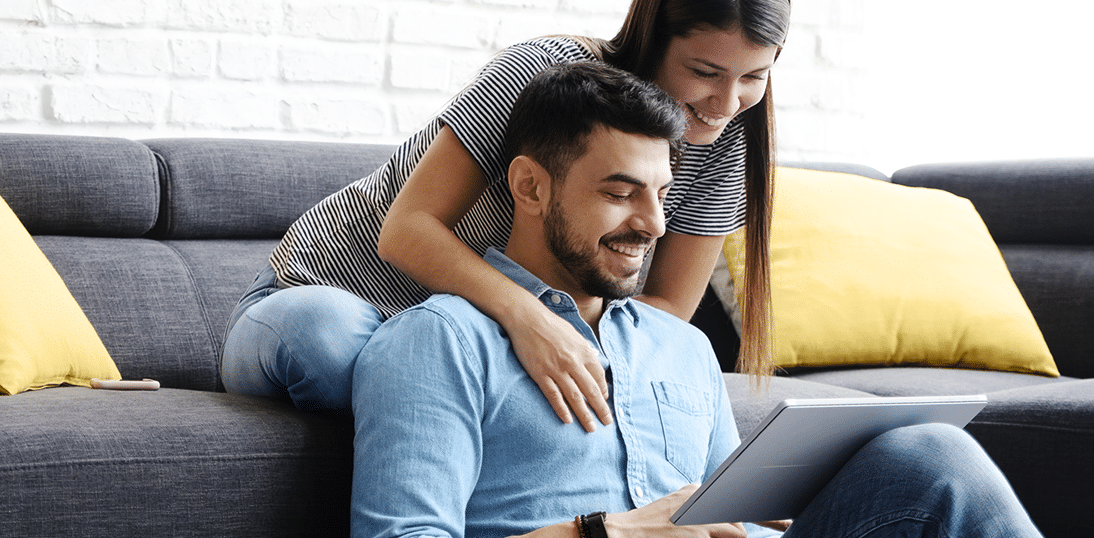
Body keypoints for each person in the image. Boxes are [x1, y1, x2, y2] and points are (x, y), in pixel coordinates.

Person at [351, 60, 1041, 538]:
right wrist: (609, 531)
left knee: (928, 457)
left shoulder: (678, 346)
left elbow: (727, 515)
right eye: (619, 193)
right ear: (530, 188)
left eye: (661, 194)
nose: (652, 224)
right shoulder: (437, 340)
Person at [223, 0, 785, 426]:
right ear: (654, 37)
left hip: (472, 349)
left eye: (754, 77)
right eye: (705, 72)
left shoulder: (726, 150)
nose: (727, 102)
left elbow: (663, 316)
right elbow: (407, 230)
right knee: (337, 348)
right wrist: (531, 323)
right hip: (334, 300)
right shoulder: (541, 73)